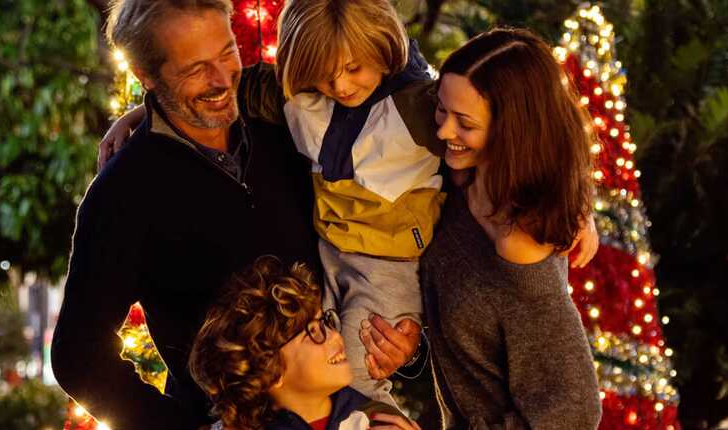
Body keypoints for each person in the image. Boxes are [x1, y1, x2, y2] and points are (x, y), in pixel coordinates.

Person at [99, 0, 599, 406]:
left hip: (388, 264)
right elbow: (239, 91)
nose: (339, 85)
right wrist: (144, 116)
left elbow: (526, 135)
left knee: (354, 372)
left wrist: (577, 207)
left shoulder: (423, 109)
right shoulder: (296, 97)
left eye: (353, 69)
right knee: (292, 366)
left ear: (382, 50)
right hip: (324, 255)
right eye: (322, 75)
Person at [50, 0, 320, 428]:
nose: (220, 80)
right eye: (194, 68)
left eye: (227, 53)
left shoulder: (284, 126)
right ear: (146, 76)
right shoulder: (123, 194)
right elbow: (78, 356)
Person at [361, 28, 603, 429]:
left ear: (512, 130)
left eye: (464, 123)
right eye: (442, 110)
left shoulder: (520, 249)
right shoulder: (455, 181)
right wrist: (413, 345)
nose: (443, 131)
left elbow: (574, 410)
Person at [189, 256, 419, 430]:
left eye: (324, 322)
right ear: (270, 370)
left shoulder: (377, 421)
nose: (335, 336)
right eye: (314, 333)